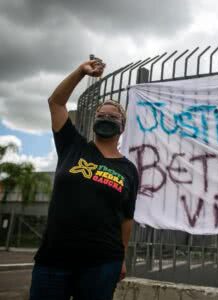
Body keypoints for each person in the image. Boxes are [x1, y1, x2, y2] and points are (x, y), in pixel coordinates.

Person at [30, 58, 139, 300]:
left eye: (113, 116)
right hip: (54, 258)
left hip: (102, 264)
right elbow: (56, 102)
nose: (106, 119)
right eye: (101, 114)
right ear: (94, 120)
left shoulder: (129, 169)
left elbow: (127, 220)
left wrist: (121, 259)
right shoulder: (72, 146)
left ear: (122, 126)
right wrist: (81, 71)